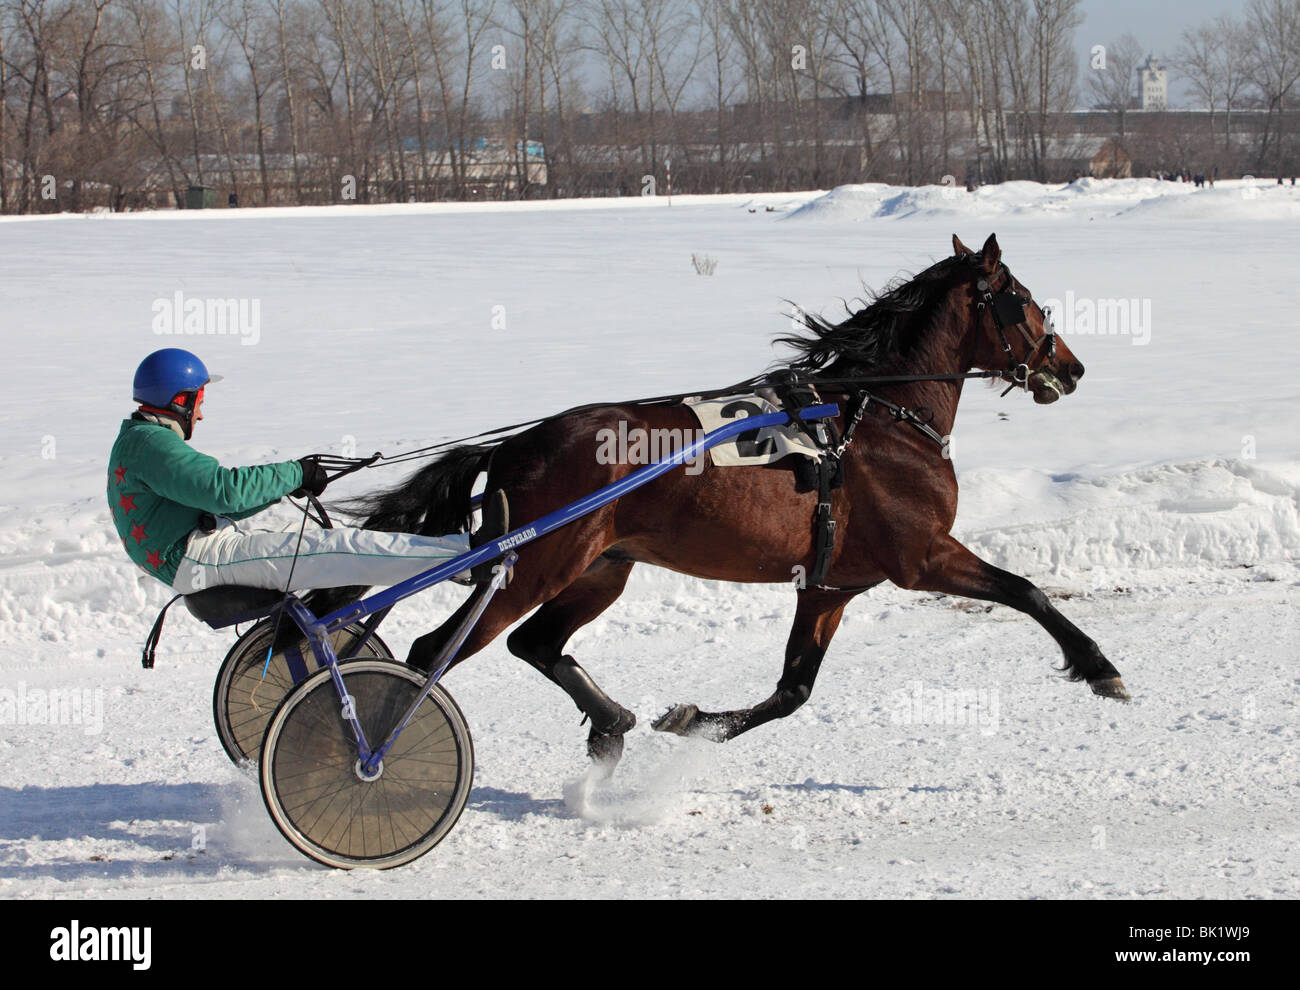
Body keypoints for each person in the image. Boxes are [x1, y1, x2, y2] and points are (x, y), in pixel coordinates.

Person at [108, 348, 507, 598]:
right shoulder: (150, 445)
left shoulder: (139, 442)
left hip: (196, 555)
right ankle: (471, 558)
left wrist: (284, 487)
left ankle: (462, 556)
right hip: (200, 558)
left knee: (339, 547)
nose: (200, 412)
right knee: (344, 548)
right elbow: (223, 491)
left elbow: (214, 500)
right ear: (179, 400)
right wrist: (293, 473)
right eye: (197, 402)